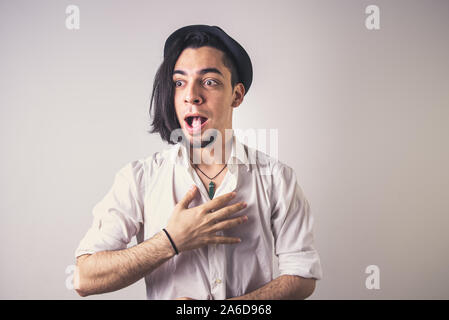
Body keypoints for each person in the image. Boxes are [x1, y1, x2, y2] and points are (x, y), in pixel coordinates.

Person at [74, 24, 323, 300]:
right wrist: (170, 240)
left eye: (209, 81)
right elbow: (85, 278)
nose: (191, 95)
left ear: (236, 95)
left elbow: (302, 275)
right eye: (180, 82)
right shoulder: (139, 178)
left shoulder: (277, 179)